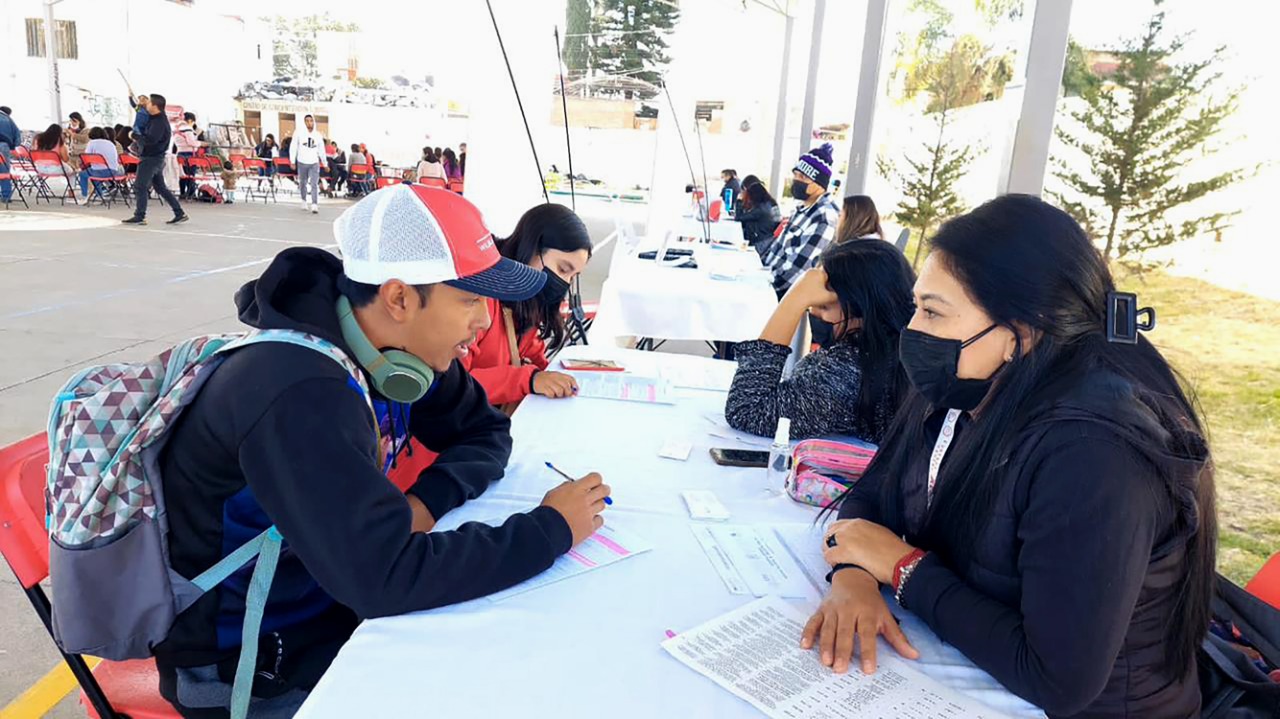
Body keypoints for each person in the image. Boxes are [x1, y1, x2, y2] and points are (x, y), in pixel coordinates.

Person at [153, 183, 609, 716]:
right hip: (249, 659)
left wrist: (423, 505)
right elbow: (383, 579)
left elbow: (486, 430)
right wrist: (549, 530)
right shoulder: (298, 391)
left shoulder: (397, 348)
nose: (485, 321)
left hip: (328, 598)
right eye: (469, 299)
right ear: (399, 298)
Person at [809, 195, 1214, 717]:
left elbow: (1058, 679)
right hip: (963, 680)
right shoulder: (965, 382)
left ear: (1020, 333)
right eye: (917, 307)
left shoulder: (1093, 455)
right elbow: (874, 493)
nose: (912, 330)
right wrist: (854, 575)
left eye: (933, 311)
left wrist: (902, 567)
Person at [725, 239, 913, 442]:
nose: (814, 312)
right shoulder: (888, 351)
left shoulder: (850, 371)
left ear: (860, 306)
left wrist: (794, 300)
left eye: (824, 305)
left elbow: (746, 410)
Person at [459, 203, 593, 407]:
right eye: (563, 269)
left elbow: (531, 350)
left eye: (573, 276)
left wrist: (551, 376)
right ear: (532, 249)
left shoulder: (527, 301)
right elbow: (451, 385)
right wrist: (529, 380)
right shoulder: (480, 297)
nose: (565, 283)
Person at [764, 143, 839, 297]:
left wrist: (764, 289)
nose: (796, 180)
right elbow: (778, 249)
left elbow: (799, 270)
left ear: (819, 184)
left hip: (781, 295)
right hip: (767, 281)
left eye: (803, 177)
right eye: (795, 175)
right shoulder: (802, 208)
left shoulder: (823, 217)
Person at [123, 94, 187, 226]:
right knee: (160, 187)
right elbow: (138, 110)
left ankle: (140, 216)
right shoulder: (154, 118)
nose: (146, 105)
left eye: (148, 103)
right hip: (155, 157)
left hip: (151, 158)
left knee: (140, 185)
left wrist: (134, 136)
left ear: (155, 106)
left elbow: (151, 140)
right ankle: (179, 212)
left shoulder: (159, 122)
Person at [290, 114, 326, 214]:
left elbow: (321, 150)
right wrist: (292, 161)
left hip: (314, 162)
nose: (309, 123)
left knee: (314, 183)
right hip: (302, 161)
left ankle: (314, 204)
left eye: (311, 121)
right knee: (303, 183)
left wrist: (325, 163)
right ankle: (304, 200)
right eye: (307, 121)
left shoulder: (318, 135)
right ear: (304, 122)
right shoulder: (298, 133)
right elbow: (293, 147)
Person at [737, 182, 782, 256]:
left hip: (760, 242)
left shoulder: (760, 209)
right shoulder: (771, 203)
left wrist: (739, 201)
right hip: (769, 239)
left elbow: (739, 218)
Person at [78, 127, 123, 198]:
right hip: (113, 172)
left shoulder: (92, 143)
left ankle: (84, 195)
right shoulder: (111, 143)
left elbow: (86, 158)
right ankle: (99, 195)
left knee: (83, 174)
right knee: (95, 174)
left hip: (99, 172)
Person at [174, 112, 201, 200]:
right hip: (189, 154)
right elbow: (191, 142)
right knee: (191, 175)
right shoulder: (188, 129)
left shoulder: (177, 129)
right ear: (190, 120)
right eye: (193, 122)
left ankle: (182, 193)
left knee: (183, 175)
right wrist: (199, 143)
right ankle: (191, 193)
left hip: (180, 153)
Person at [0, 105, 18, 203]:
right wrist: (13, 147)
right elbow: (17, 135)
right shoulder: (8, 119)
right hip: (3, 146)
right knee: (4, 171)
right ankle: (6, 196)